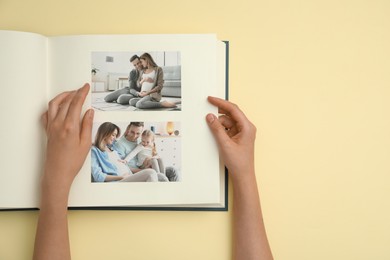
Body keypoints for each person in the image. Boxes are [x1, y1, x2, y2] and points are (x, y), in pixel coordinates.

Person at [33, 83, 273, 260]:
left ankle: (165, 179)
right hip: (122, 178)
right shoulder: (105, 150)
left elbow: (126, 162)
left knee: (162, 169)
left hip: (127, 172)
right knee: (153, 173)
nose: (120, 137)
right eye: (117, 135)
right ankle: (161, 180)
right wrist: (244, 175)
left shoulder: (114, 149)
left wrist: (56, 180)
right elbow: (108, 171)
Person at [91, 122, 159, 182]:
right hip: (121, 179)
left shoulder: (112, 148)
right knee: (151, 172)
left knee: (161, 177)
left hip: (130, 175)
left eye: (115, 135)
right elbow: (98, 176)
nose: (115, 138)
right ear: (104, 134)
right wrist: (121, 177)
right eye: (113, 135)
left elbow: (121, 139)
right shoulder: (95, 151)